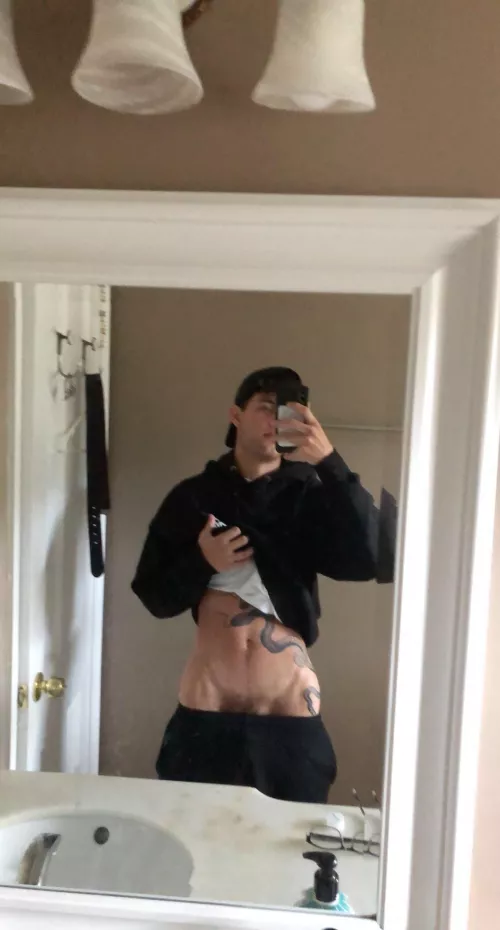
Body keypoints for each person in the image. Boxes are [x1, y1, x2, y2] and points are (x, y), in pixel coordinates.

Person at [132, 367, 394, 803]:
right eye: (267, 407)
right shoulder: (194, 497)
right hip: (206, 712)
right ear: (236, 415)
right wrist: (203, 561)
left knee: (292, 844)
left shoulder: (309, 496)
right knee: (194, 840)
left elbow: (375, 556)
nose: (277, 420)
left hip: (288, 711)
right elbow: (154, 596)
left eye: (288, 410)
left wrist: (330, 462)